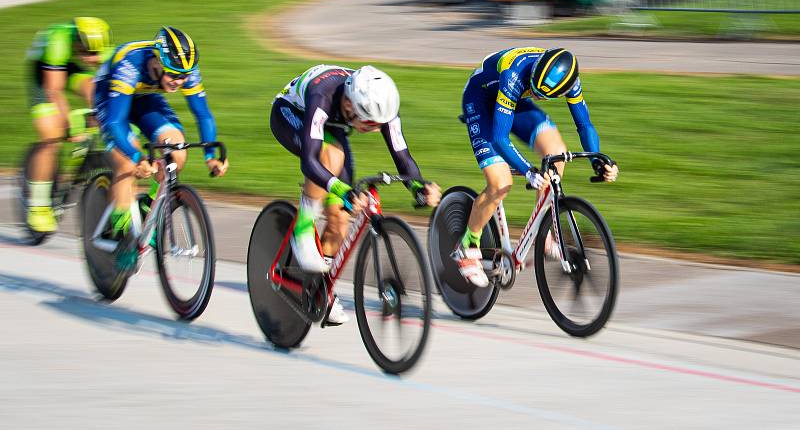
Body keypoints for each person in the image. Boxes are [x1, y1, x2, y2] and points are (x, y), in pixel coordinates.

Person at [270, 64, 441, 325]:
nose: (375, 129)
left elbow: (402, 156)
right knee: (332, 157)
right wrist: (340, 188)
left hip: (333, 124)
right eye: (370, 123)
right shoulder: (323, 94)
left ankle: (319, 290)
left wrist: (419, 186)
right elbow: (309, 161)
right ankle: (302, 230)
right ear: (349, 105)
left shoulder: (380, 107)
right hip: (291, 113)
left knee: (339, 217)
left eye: (379, 125)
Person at [457, 47, 618, 287]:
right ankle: (467, 247)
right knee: (500, 184)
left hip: (517, 100)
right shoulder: (514, 75)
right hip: (481, 101)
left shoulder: (570, 81)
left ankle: (543, 234)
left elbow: (584, 125)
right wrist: (529, 171)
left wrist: (598, 160)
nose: (536, 94)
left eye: (540, 95)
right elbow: (500, 138)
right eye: (534, 89)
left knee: (557, 155)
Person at [94, 26, 228, 267]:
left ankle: (149, 209)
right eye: (173, 75)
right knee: (126, 163)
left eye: (184, 75)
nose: (180, 81)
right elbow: (115, 121)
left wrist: (210, 155)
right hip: (111, 95)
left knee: (177, 152)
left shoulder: (186, 69)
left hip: (145, 98)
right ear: (157, 61)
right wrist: (137, 156)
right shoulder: (131, 63)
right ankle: (123, 234)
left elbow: (203, 115)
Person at [26, 17, 113, 233]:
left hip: (71, 65)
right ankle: (38, 206)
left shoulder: (103, 48)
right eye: (88, 53)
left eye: (97, 54)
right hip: (43, 72)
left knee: (97, 94)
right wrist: (68, 124)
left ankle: (84, 145)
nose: (93, 59)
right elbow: (53, 91)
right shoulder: (58, 41)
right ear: (77, 42)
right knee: (51, 136)